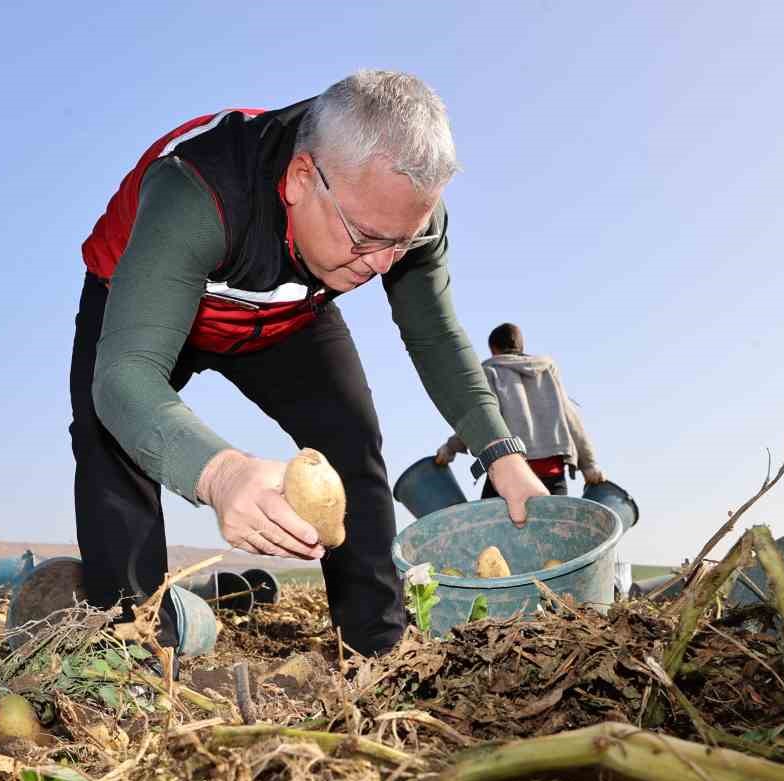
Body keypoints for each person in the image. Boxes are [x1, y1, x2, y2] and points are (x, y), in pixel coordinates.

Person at [69, 71, 549, 657]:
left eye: (403, 243)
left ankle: (377, 651)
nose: (381, 266)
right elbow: (125, 380)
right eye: (366, 238)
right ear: (302, 179)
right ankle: (134, 651)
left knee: (350, 437)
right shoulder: (198, 190)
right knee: (110, 441)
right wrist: (219, 473)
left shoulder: (396, 217)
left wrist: (502, 454)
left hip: (283, 316)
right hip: (146, 296)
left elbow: (436, 337)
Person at [434, 322, 605, 497]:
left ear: (493, 349)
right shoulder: (546, 371)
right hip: (552, 474)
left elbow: (481, 419)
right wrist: (589, 465)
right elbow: (571, 419)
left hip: (511, 470)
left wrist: (450, 448)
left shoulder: (490, 371)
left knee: (490, 524)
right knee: (552, 524)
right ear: (521, 346)